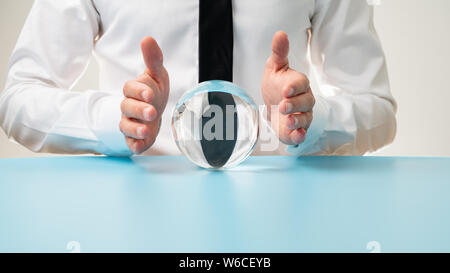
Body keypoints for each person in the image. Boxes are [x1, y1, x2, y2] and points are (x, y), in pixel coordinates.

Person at [0, 0, 396, 157]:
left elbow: (378, 109)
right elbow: (19, 98)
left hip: (282, 223)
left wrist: (310, 122)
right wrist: (116, 121)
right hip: (134, 226)